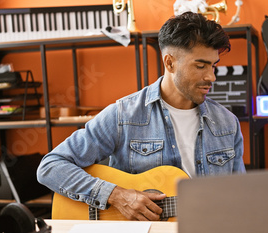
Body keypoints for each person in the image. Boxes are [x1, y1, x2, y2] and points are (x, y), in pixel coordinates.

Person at [37, 12, 246, 221]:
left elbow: (240, 197)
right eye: (200, 66)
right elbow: (51, 166)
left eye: (213, 66)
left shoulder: (227, 124)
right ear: (170, 63)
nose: (211, 77)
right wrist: (117, 196)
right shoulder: (124, 115)